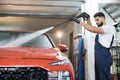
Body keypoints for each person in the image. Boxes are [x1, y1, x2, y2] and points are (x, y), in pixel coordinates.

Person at [72, 12, 116, 80]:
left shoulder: (109, 27)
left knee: (103, 77)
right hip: (99, 57)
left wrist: (79, 22)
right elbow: (91, 28)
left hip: (104, 57)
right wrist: (88, 19)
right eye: (95, 20)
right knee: (98, 77)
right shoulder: (102, 28)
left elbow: (92, 29)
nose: (96, 22)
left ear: (103, 18)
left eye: (97, 20)